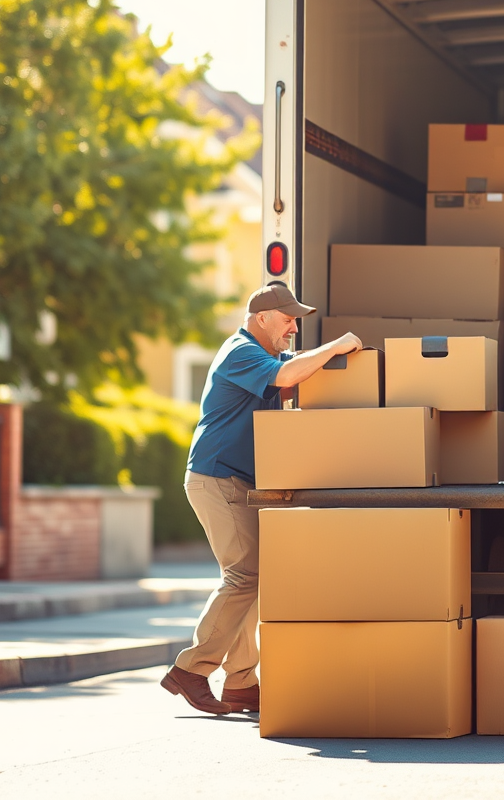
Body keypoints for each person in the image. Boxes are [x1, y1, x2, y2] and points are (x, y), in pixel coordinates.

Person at [160, 282, 363, 716]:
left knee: (251, 578)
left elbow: (294, 368)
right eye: (288, 319)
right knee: (243, 576)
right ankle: (190, 670)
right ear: (261, 319)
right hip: (217, 479)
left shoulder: (263, 356)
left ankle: (240, 683)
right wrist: (337, 346)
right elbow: (288, 376)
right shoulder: (240, 351)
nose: (293, 328)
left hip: (236, 482)